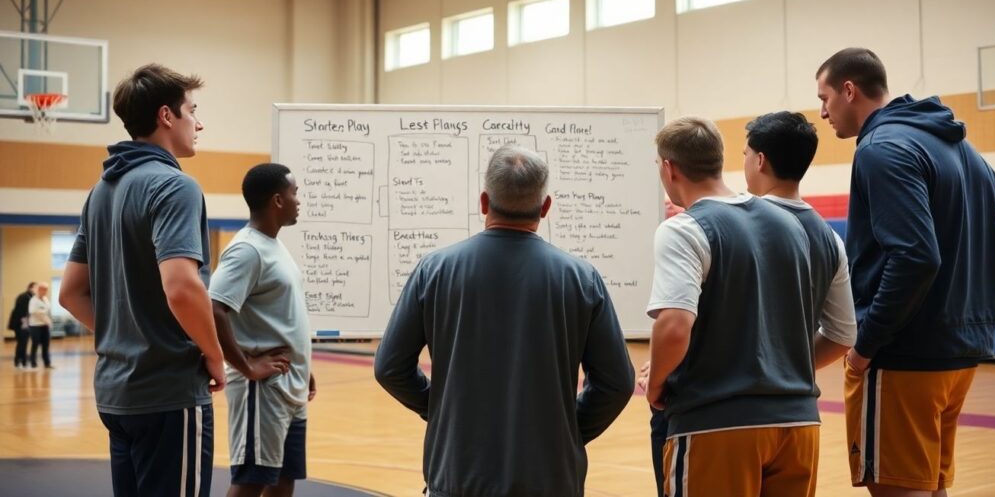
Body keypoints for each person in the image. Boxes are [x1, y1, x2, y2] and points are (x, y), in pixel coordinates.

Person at [816, 48, 995, 496]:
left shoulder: (880, 149)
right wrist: (954, 316)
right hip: (959, 359)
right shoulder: (969, 154)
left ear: (849, 90)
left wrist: (865, 345)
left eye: (825, 98)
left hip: (901, 358)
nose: (822, 112)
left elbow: (915, 257)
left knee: (899, 488)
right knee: (929, 486)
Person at [374, 144, 635, 497]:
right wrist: (568, 430)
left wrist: (438, 410)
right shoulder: (580, 278)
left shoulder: (434, 270)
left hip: (457, 476)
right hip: (550, 479)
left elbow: (390, 367)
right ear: (545, 207)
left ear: (483, 202)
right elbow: (616, 383)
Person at [59, 64, 226, 497]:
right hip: (169, 393)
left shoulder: (101, 191)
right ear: (166, 117)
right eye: (192, 111)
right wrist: (213, 353)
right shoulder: (175, 186)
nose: (199, 122)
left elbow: (71, 293)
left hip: (116, 394)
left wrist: (127, 334)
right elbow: (182, 288)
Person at [645, 117, 829, 497]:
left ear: (669, 167)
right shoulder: (790, 223)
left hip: (717, 422)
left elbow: (675, 325)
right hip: (799, 424)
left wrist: (656, 385)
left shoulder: (683, 229)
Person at [209, 163, 315, 497]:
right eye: (294, 193)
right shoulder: (247, 250)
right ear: (277, 201)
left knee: (284, 480)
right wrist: (246, 366)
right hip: (263, 390)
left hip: (290, 384)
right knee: (251, 481)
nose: (298, 200)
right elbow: (215, 309)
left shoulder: (275, 245)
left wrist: (303, 363)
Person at [743, 111, 857, 369]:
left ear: (760, 160)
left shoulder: (736, 223)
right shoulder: (830, 239)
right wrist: (791, 370)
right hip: (798, 401)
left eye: (745, 154)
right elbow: (843, 336)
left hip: (736, 397)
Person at [7, 281, 36, 369]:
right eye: (35, 288)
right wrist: (26, 325)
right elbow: (23, 313)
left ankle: (21, 361)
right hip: (21, 324)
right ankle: (21, 361)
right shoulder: (25, 297)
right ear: (30, 288)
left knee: (22, 343)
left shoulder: (29, 296)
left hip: (23, 324)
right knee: (22, 343)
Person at [28, 283, 54, 369]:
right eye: (44, 289)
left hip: (45, 325)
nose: (45, 291)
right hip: (35, 325)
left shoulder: (45, 299)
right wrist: (42, 313)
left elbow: (47, 310)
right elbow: (32, 311)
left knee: (45, 345)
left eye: (46, 290)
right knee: (35, 343)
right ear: (39, 290)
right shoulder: (33, 300)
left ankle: (47, 363)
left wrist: (47, 320)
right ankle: (33, 363)